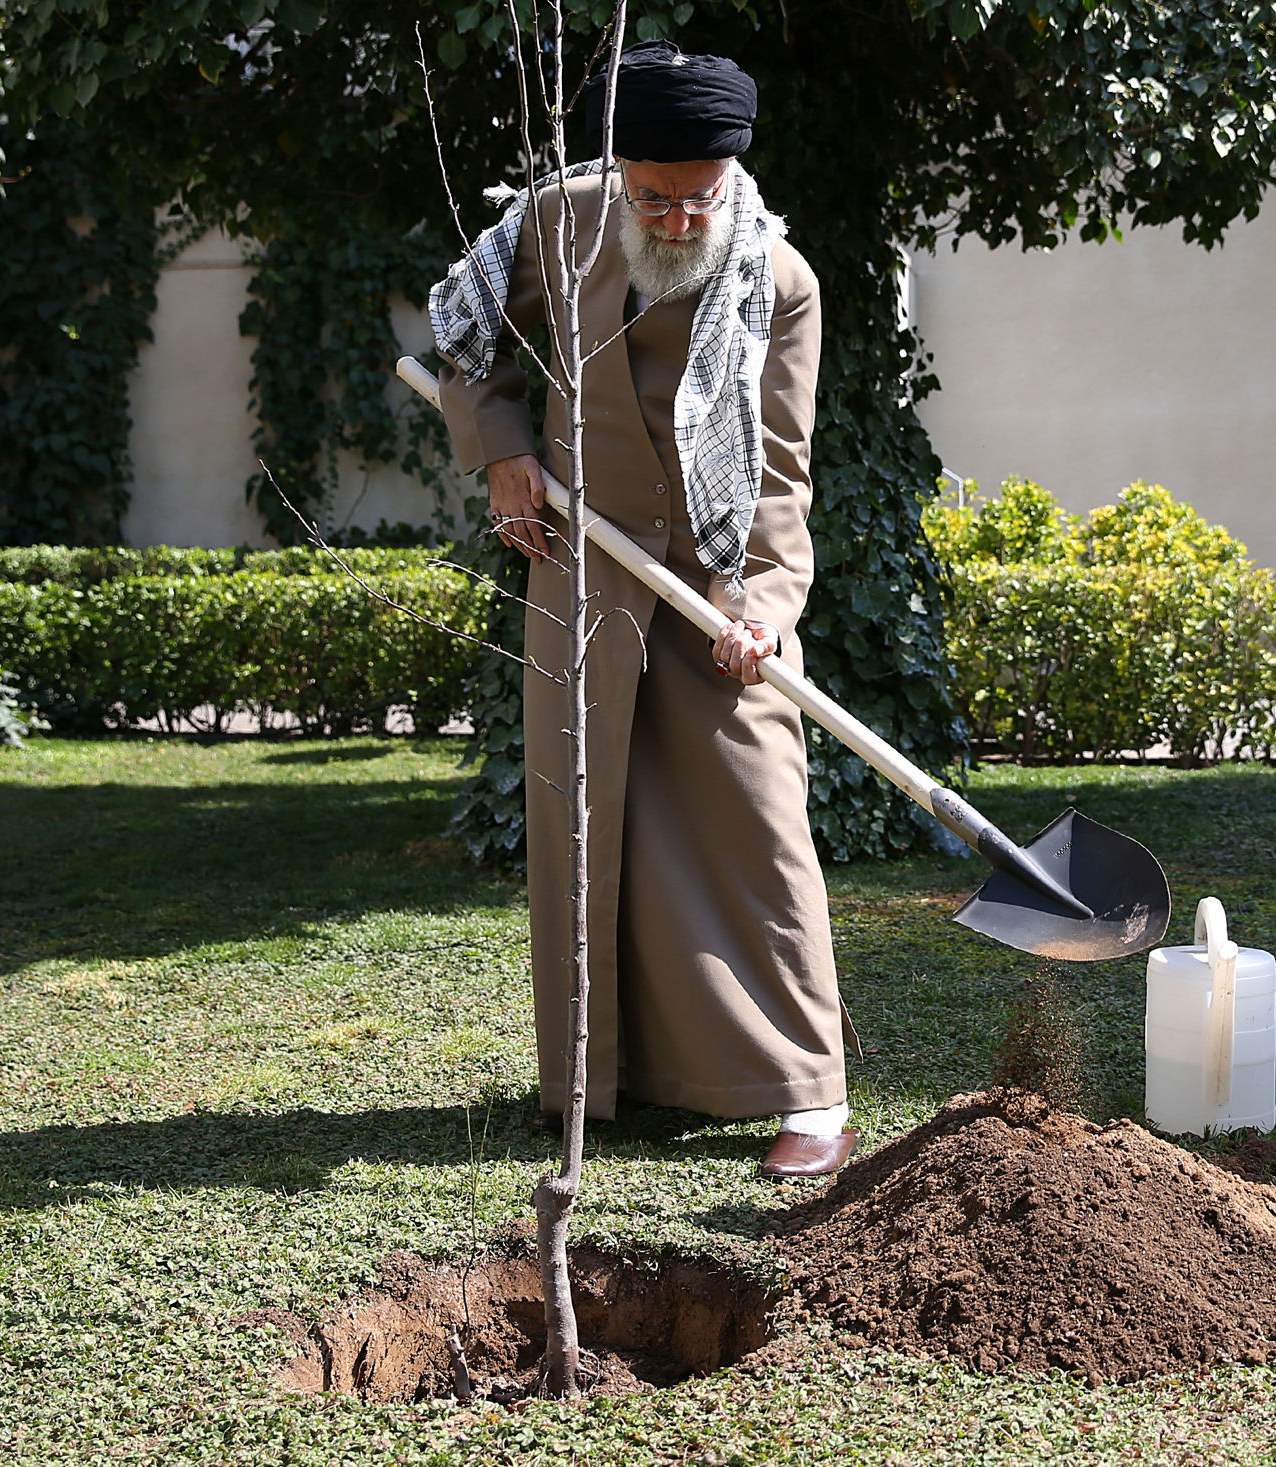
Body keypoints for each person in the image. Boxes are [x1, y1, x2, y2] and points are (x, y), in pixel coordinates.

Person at [429, 41, 856, 1178]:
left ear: (732, 176)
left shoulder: (782, 282)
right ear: (617, 172)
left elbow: (779, 473)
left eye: (696, 198)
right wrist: (503, 452)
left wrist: (760, 608)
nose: (674, 219)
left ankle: (810, 1093)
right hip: (581, 570)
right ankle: (603, 1077)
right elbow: (470, 335)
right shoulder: (557, 223)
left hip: (715, 582)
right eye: (653, 197)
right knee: (591, 822)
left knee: (755, 819)